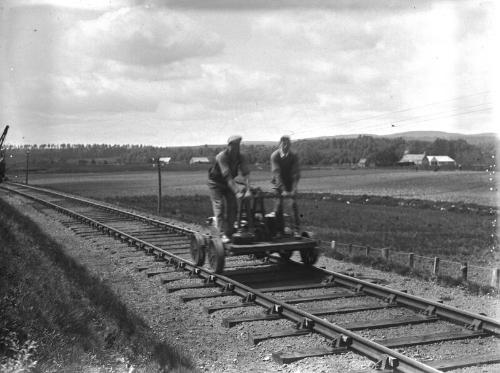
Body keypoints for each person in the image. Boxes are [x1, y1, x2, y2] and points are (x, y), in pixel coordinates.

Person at [208, 135, 251, 243]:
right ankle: (222, 234)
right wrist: (237, 192)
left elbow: (246, 175)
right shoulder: (221, 156)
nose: (236, 148)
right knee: (220, 206)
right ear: (228, 146)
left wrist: (248, 190)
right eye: (233, 146)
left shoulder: (241, 156)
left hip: (229, 184)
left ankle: (230, 233)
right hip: (216, 183)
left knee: (233, 207)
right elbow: (228, 177)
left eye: (238, 146)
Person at [270, 135, 301, 236]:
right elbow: (277, 173)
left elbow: (296, 173)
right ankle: (279, 231)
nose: (286, 146)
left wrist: (294, 188)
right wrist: (282, 190)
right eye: (283, 144)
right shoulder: (274, 156)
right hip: (278, 183)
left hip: (290, 182)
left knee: (292, 204)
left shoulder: (294, 156)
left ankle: (296, 230)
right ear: (280, 145)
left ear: (290, 145)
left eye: (288, 144)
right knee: (278, 205)